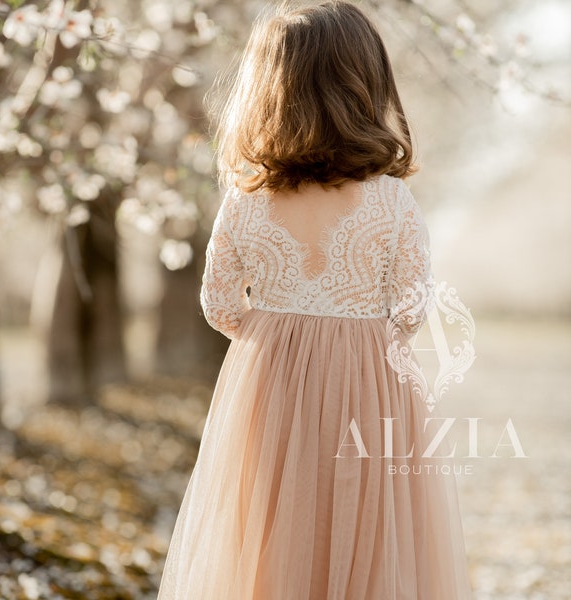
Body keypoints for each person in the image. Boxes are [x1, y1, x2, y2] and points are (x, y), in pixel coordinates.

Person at [157, 2, 472, 598]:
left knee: (269, 527)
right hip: (370, 385)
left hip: (267, 388)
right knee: (369, 529)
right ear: (366, 86)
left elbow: (220, 304)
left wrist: (281, 332)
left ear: (267, 90)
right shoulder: (391, 202)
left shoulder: (245, 200)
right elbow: (410, 309)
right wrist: (348, 329)